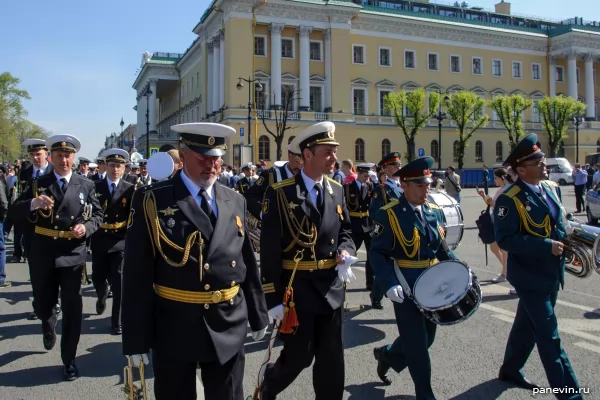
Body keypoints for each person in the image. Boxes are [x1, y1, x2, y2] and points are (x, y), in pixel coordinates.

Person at [121, 122, 269, 400]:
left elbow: (245, 260)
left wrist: (258, 314)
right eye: (202, 156)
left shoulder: (234, 200)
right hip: (175, 325)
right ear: (183, 152)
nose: (211, 165)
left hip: (228, 320)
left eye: (216, 157)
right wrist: (135, 336)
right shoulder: (152, 200)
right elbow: (136, 275)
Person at [259, 121, 355, 400]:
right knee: (300, 355)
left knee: (332, 361)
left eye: (334, 152)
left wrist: (347, 251)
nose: (334, 158)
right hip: (297, 289)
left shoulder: (337, 189)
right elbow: (269, 250)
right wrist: (272, 298)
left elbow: (346, 229)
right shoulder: (282, 193)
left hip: (331, 288)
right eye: (327, 152)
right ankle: (269, 386)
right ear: (308, 155)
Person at [493, 133, 582, 398]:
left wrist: (572, 244)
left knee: (525, 325)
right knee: (549, 337)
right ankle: (571, 394)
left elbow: (559, 225)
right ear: (521, 169)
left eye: (542, 158)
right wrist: (546, 246)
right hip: (529, 276)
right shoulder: (510, 198)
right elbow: (505, 239)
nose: (544, 164)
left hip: (551, 272)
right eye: (537, 161)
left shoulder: (552, 189)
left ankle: (510, 369)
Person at [10, 135, 103, 381]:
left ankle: (69, 360)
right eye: (59, 155)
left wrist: (87, 228)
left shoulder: (85, 184)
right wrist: (33, 203)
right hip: (44, 251)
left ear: (74, 158)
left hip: (72, 253)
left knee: (73, 308)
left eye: (68, 155)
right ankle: (47, 321)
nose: (64, 159)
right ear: (51, 157)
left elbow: (98, 215)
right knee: (43, 303)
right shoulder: (37, 184)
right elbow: (14, 211)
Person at [370, 157, 456, 399]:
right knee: (417, 345)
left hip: (433, 285)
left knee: (427, 338)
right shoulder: (390, 215)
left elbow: (441, 249)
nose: (426, 189)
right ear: (405, 185)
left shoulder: (434, 212)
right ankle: (425, 395)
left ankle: (387, 354)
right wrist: (388, 283)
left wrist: (460, 270)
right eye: (420, 185)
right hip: (406, 286)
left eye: (428, 184)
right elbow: (377, 252)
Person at [9, 138, 57, 319]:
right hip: (31, 227)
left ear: (47, 154)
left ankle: (53, 301)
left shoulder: (55, 170)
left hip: (52, 228)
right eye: (32, 155)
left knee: (54, 270)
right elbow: (19, 200)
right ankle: (39, 303)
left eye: (39, 154)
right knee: (36, 270)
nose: (36, 158)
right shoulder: (26, 172)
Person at [91, 148, 134, 335]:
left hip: (120, 240)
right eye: (112, 166)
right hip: (100, 238)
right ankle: (101, 296)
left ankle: (117, 321)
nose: (115, 169)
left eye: (119, 166)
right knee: (98, 277)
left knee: (120, 283)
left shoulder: (130, 188)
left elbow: (134, 215)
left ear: (124, 168)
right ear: (105, 167)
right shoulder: (94, 187)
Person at [344, 162, 383, 309]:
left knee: (372, 255)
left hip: (368, 224)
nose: (367, 178)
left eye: (369, 175)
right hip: (353, 224)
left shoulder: (371, 187)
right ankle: (342, 283)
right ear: (359, 173)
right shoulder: (347, 188)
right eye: (365, 175)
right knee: (348, 255)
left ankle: (370, 283)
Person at [244, 136, 303, 219]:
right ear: (289, 156)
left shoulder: (309, 177)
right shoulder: (271, 175)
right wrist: (263, 213)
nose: (300, 167)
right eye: (297, 161)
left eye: (304, 163)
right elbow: (249, 197)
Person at [477, 168, 516, 293]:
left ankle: (505, 273)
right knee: (494, 247)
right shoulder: (501, 189)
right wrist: (484, 196)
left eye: (496, 178)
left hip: (502, 221)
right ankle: (506, 270)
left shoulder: (507, 189)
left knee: (504, 249)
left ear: (502, 178)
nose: (494, 180)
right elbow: (492, 204)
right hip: (496, 220)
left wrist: (485, 197)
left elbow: (495, 205)